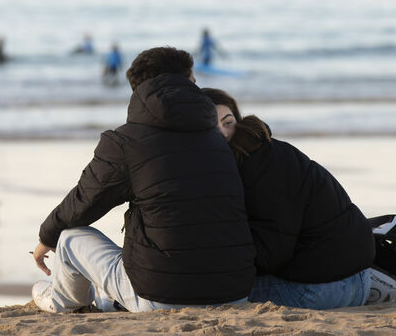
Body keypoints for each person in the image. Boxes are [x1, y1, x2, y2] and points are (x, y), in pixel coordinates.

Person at [30, 47, 255, 313]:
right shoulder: (217, 140)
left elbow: (85, 200)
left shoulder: (127, 141)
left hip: (161, 297)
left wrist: (47, 237)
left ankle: (62, 302)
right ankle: (109, 298)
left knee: (68, 237)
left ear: (137, 91)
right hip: (235, 294)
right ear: (189, 82)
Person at [201, 88, 396, 309]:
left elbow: (271, 253)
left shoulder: (256, 166)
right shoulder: (265, 151)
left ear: (239, 120)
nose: (223, 133)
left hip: (326, 288)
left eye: (228, 122)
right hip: (354, 275)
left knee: (212, 293)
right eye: (211, 125)